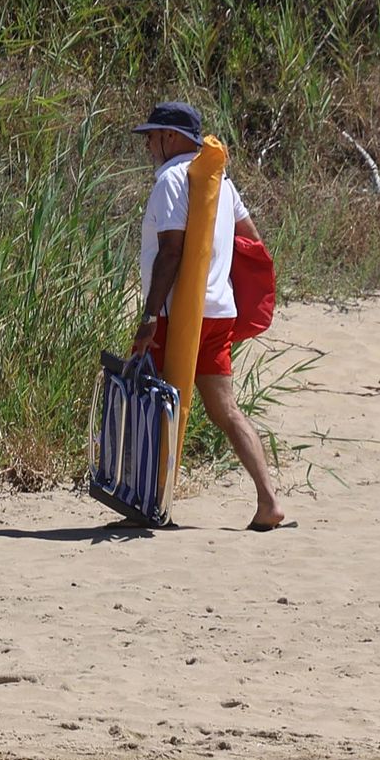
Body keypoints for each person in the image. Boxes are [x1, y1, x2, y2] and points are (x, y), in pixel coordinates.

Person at [130, 101, 285, 531]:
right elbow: (252, 241)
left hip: (176, 315)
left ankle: (148, 505)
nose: (149, 146)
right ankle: (268, 500)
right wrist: (218, 275)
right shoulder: (220, 183)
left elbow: (172, 251)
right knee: (226, 409)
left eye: (153, 136)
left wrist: (148, 318)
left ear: (172, 138)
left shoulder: (171, 180)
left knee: (152, 402)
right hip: (218, 312)